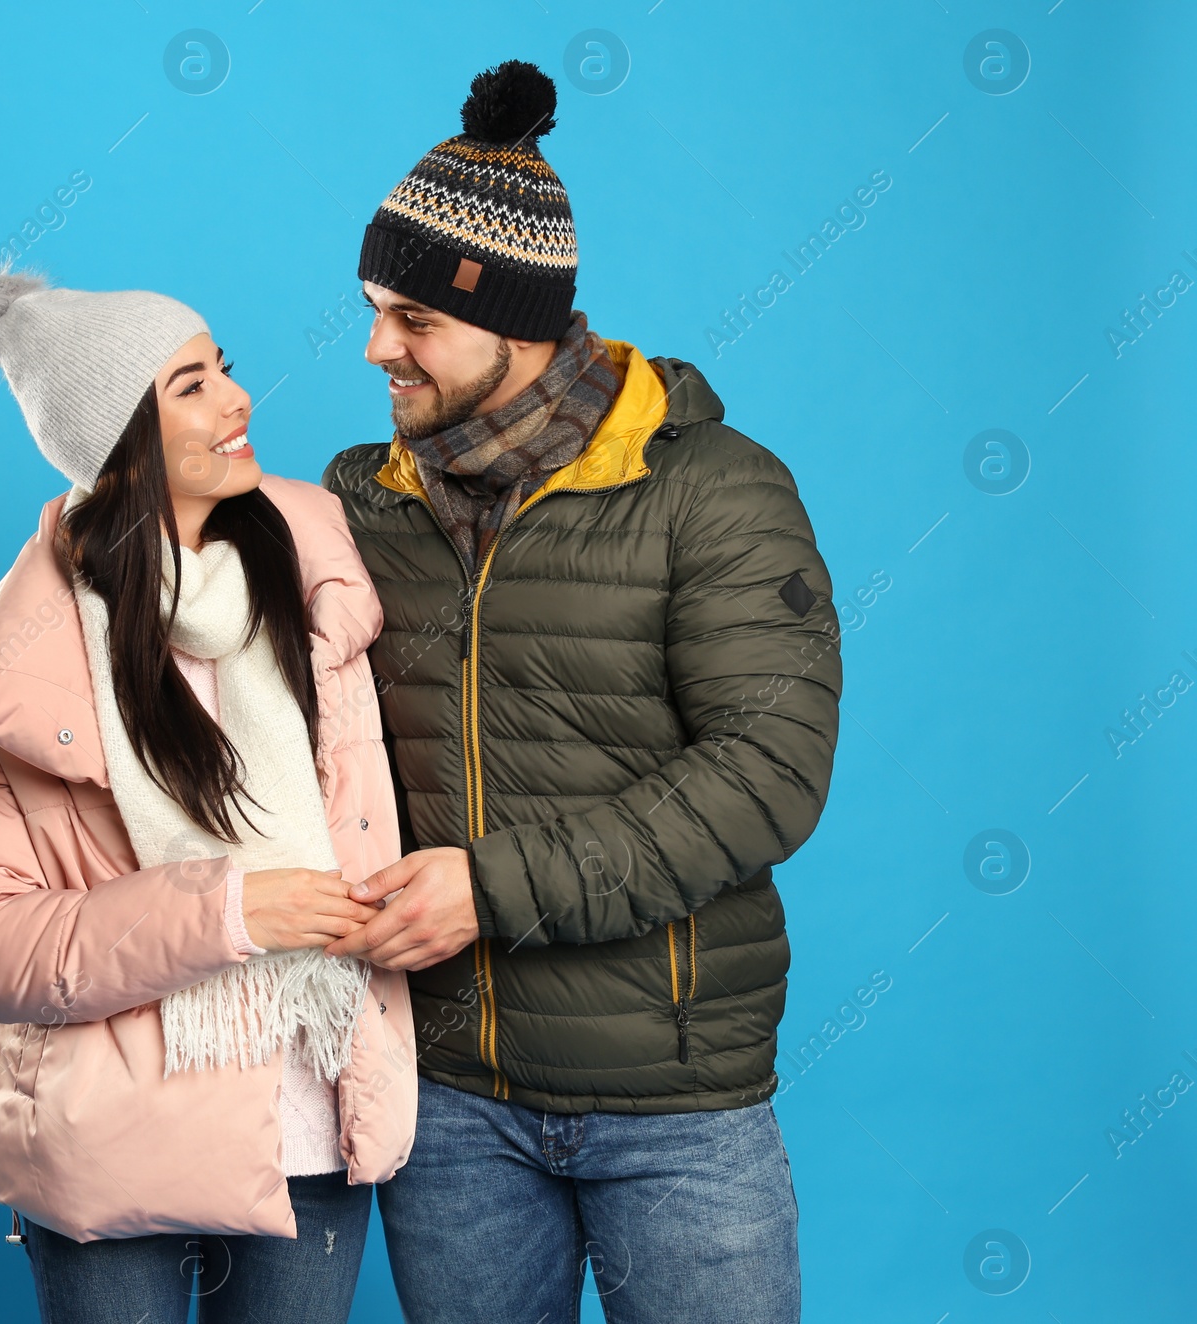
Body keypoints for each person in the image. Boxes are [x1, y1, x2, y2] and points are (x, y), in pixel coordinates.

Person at [313, 61, 843, 1322]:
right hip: (442, 1103)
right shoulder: (357, 500)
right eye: (373, 308)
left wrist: (487, 889)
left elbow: (767, 773)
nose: (377, 345)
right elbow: (226, 664)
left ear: (518, 323)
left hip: (673, 1101)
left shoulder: (712, 490)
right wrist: (30, 659)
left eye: (414, 318)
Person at [0, 261, 416, 1324]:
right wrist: (228, 910)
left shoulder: (324, 577)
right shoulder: (26, 667)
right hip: (107, 1145)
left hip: (315, 1121)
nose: (237, 400)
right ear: (119, 441)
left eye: (222, 369)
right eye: (190, 385)